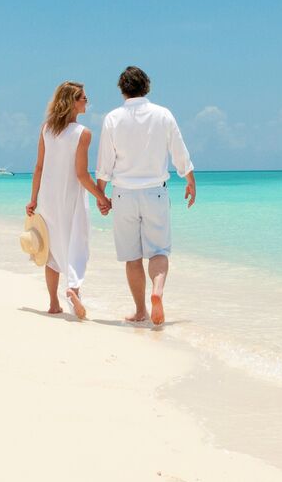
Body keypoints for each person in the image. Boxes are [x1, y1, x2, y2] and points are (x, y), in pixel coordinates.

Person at [95, 66, 196, 326]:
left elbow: (105, 161)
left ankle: (141, 310)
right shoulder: (163, 115)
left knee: (132, 255)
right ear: (146, 86)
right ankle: (158, 291)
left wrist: (100, 194)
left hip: (124, 195)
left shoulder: (113, 118)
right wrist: (190, 180)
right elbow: (179, 151)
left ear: (122, 89)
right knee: (159, 250)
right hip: (155, 192)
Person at [26, 81, 111, 320]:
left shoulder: (46, 129)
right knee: (77, 244)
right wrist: (102, 197)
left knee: (52, 250)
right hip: (71, 198)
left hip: (48, 199)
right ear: (71, 102)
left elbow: (39, 167)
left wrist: (33, 199)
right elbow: (81, 175)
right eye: (83, 97)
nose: (87, 101)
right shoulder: (83, 134)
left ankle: (53, 304)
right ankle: (73, 288)